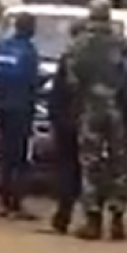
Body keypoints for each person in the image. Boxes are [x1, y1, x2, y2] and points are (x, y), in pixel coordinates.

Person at [63, 0, 127, 240]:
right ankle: (117, 220)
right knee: (119, 163)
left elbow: (71, 82)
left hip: (91, 109)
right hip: (117, 110)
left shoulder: (78, 45)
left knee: (90, 163)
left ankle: (93, 221)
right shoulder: (123, 44)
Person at [0, 13, 41, 220]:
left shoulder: (2, 47)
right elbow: (33, 81)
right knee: (20, 158)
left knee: (5, 156)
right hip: (22, 109)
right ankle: (15, 205)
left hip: (2, 107)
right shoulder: (29, 51)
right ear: (28, 28)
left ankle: (4, 202)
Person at [43, 22, 86, 235]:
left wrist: (55, 119)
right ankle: (93, 219)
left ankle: (63, 218)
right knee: (90, 170)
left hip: (69, 122)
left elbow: (57, 94)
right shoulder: (102, 55)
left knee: (67, 169)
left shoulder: (69, 57)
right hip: (91, 122)